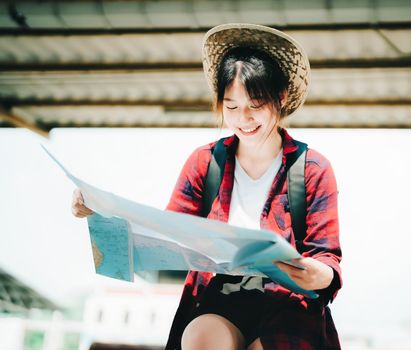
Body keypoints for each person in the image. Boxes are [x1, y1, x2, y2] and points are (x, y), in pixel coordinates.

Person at [72, 23, 342, 350]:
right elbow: (167, 232)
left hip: (287, 304)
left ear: (281, 97)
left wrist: (315, 274)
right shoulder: (206, 162)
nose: (243, 118)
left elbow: (326, 260)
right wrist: (100, 210)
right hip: (220, 296)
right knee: (199, 338)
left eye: (255, 105)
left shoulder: (312, 168)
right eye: (231, 106)